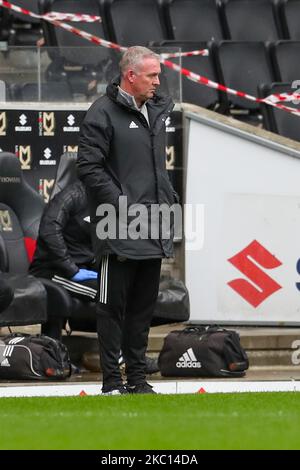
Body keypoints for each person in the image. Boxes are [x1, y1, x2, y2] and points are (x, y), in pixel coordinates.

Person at [77, 46, 178, 395]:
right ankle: (110, 382)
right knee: (111, 308)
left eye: (158, 74)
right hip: (116, 225)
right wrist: (121, 203)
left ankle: (137, 379)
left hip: (153, 223)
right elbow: (88, 167)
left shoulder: (157, 109)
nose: (158, 81)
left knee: (142, 309)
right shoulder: (101, 113)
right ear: (131, 75)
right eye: (152, 75)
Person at [29, 180, 98, 338]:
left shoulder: (107, 198)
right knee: (109, 292)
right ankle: (117, 355)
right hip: (51, 270)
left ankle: (120, 353)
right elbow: (49, 230)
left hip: (84, 269)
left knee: (121, 287)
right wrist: (71, 269)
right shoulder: (73, 195)